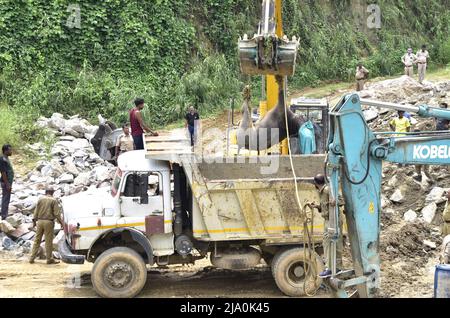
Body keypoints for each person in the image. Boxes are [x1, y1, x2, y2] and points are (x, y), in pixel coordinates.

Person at [310, 174, 344, 277]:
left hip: (334, 220)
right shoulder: (321, 192)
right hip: (327, 220)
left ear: (315, 183)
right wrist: (316, 206)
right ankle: (332, 267)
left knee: (333, 243)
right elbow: (325, 205)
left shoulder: (327, 190)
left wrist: (336, 201)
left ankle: (333, 268)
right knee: (327, 243)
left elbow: (341, 200)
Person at [29, 187, 63, 264]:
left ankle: (32, 258)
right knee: (48, 241)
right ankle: (49, 259)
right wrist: (61, 223)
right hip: (49, 222)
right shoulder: (54, 200)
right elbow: (57, 213)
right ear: (52, 192)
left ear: (46, 192)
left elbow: (36, 211)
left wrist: (34, 222)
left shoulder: (40, 199)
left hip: (40, 222)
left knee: (37, 240)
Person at [0, 144, 14, 220]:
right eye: (10, 150)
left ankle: (3, 212)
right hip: (5, 182)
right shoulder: (2, 159)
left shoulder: (6, 158)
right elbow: (3, 172)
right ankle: (4, 216)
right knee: (6, 198)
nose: (11, 151)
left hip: (7, 182)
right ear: (5, 151)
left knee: (6, 197)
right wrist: (7, 184)